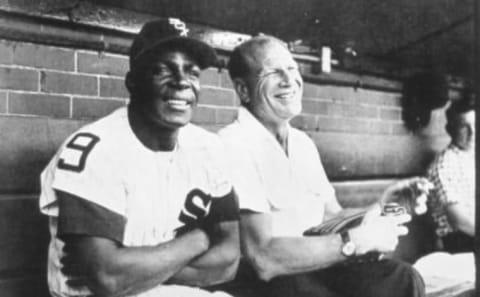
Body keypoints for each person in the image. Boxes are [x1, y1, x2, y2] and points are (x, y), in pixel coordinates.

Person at [39, 18, 240, 297]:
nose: (182, 82)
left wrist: (141, 271)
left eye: (192, 72)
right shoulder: (97, 148)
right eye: (162, 70)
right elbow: (108, 279)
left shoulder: (209, 147)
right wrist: (199, 239)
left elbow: (229, 259)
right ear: (133, 82)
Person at [217, 35, 426, 297]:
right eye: (272, 72)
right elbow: (262, 257)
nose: (289, 79)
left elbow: (331, 216)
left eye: (292, 68)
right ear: (243, 90)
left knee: (402, 278)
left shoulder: (301, 142)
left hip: (315, 267)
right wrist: (353, 243)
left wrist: (384, 206)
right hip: (270, 280)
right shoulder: (232, 144)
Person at [427, 92, 475, 253]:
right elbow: (460, 221)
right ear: (450, 129)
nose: (473, 133)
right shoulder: (444, 165)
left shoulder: (472, 157)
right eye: (464, 126)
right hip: (460, 242)